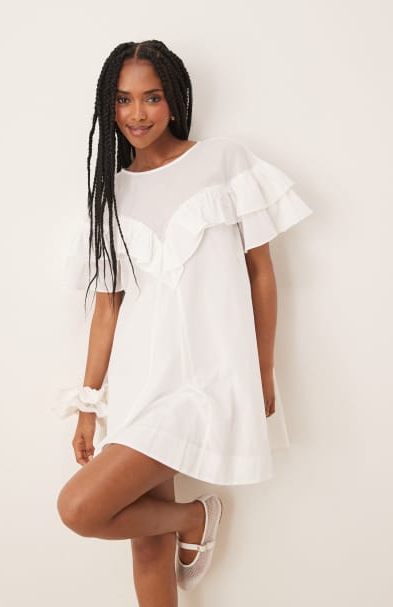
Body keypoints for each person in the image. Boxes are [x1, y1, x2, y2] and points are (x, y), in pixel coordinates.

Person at [54, 39, 313, 605]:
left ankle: (196, 517)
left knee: (79, 507)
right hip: (138, 384)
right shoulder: (111, 195)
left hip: (204, 381)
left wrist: (262, 371)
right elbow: (108, 309)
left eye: (152, 97)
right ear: (108, 106)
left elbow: (261, 273)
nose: (137, 113)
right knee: (148, 548)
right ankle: (190, 519)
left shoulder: (224, 162)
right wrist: (88, 404)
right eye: (123, 100)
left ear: (174, 98)